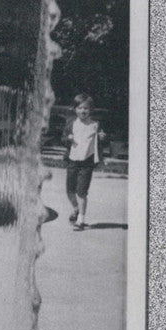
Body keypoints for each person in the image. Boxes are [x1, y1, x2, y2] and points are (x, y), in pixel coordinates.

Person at [63, 94, 106, 231]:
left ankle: (81, 219)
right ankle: (76, 209)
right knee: (70, 190)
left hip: (87, 163)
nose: (83, 111)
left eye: (86, 108)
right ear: (75, 109)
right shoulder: (71, 123)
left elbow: (102, 141)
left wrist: (103, 138)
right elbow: (62, 139)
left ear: (90, 110)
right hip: (72, 161)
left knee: (81, 191)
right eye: (80, 108)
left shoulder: (95, 125)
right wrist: (67, 138)